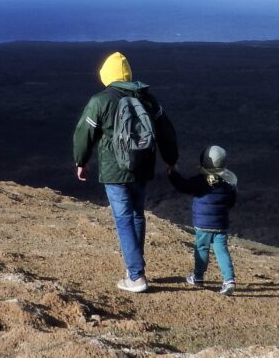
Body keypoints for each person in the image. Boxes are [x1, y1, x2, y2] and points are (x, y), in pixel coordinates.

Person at [73, 51, 178, 293]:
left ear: (106, 75)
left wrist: (81, 161)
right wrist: (171, 160)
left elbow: (83, 134)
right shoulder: (148, 99)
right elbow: (166, 131)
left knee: (123, 219)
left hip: (115, 169)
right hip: (143, 166)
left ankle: (136, 276)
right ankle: (136, 269)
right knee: (137, 215)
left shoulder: (100, 101)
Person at [169, 145, 237, 295]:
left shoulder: (199, 181)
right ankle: (229, 280)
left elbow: (183, 186)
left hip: (202, 225)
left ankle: (198, 277)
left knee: (201, 249)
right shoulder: (228, 184)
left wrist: (173, 174)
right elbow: (231, 202)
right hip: (221, 224)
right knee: (221, 250)